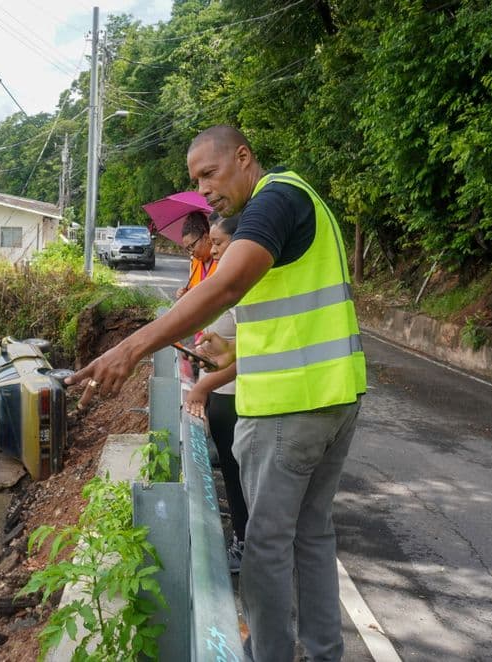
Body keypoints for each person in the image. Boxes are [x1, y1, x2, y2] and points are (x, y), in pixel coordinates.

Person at [66, 124, 366, 662]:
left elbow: (225, 285)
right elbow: (296, 313)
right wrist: (236, 351)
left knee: (266, 548)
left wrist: (129, 349)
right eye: (196, 180)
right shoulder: (301, 197)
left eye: (210, 173)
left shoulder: (273, 201)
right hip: (334, 396)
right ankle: (325, 653)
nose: (204, 190)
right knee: (313, 536)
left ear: (243, 157)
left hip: (290, 407)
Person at [183, 214, 248, 575]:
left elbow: (250, 351)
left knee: (238, 477)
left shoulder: (242, 285)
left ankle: (244, 543)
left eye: (219, 243)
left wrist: (203, 386)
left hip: (234, 395)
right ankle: (243, 539)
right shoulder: (223, 277)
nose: (215, 250)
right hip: (222, 392)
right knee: (233, 471)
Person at [173, 211, 217, 300]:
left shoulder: (222, 259)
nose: (191, 252)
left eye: (192, 246)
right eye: (187, 249)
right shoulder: (195, 262)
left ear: (206, 238)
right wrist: (185, 294)